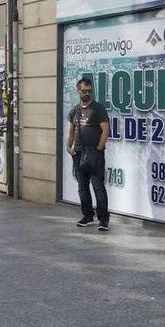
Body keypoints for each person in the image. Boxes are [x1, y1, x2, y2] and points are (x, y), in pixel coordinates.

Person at [66, 77, 110, 231]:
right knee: (82, 187)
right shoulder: (74, 111)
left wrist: (99, 149)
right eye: (84, 91)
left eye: (89, 91)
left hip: (94, 154)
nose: (87, 94)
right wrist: (68, 147)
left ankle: (103, 219)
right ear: (78, 90)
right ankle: (87, 216)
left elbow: (106, 130)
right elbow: (71, 131)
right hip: (78, 154)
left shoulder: (98, 109)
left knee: (98, 187)